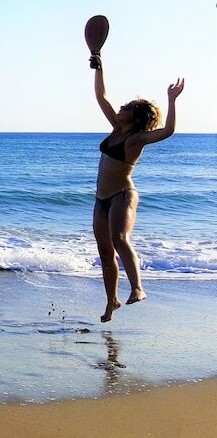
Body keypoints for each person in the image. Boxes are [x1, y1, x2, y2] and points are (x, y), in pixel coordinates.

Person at [91, 54, 183, 322]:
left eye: (128, 106)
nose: (121, 107)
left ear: (137, 116)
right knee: (105, 253)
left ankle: (138, 288)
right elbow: (101, 97)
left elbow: (167, 131)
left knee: (119, 239)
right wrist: (99, 66)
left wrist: (171, 101)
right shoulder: (116, 128)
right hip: (101, 200)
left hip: (123, 196)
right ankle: (112, 302)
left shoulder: (135, 139)